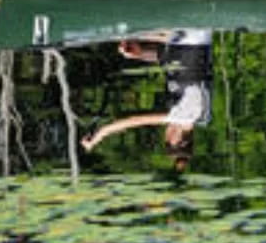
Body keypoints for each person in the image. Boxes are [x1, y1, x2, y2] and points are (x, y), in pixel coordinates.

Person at [81, 28, 213, 171]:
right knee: (123, 32)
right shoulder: (188, 116)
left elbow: (174, 61)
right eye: (166, 139)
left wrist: (140, 54)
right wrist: (100, 135)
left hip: (184, 40)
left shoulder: (195, 114)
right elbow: (136, 121)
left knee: (132, 35)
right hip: (189, 36)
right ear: (175, 140)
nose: (166, 131)